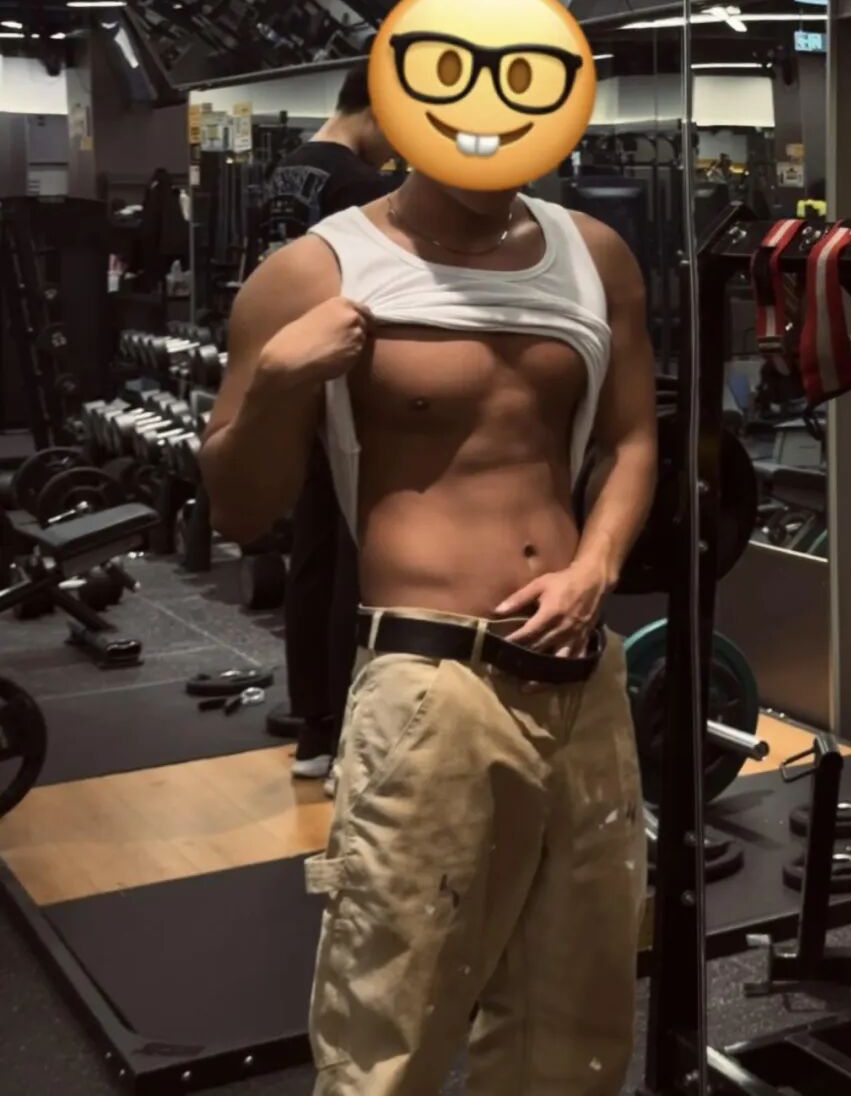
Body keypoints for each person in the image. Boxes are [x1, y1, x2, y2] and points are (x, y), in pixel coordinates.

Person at [201, 167, 657, 1093]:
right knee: (390, 1029)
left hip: (579, 674)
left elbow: (632, 439)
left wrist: (595, 567)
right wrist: (282, 381)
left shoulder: (593, 254)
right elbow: (238, 511)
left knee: (577, 1023)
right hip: (431, 682)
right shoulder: (314, 271)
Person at [263, 66, 396, 779]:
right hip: (345, 378)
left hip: (296, 377)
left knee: (313, 549)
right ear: (376, 109)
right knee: (355, 553)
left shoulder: (286, 173)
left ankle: (315, 729)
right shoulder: (359, 185)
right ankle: (345, 727)